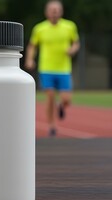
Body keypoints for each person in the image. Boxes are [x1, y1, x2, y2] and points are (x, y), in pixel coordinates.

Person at [25, 0, 80, 137]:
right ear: (47, 12)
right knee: (49, 97)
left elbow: (76, 43)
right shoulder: (40, 28)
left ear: (61, 11)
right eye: (52, 10)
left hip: (63, 69)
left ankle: (61, 105)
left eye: (57, 9)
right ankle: (52, 126)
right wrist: (29, 59)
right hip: (46, 68)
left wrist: (72, 50)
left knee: (66, 99)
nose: (54, 12)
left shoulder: (69, 26)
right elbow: (32, 46)